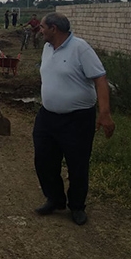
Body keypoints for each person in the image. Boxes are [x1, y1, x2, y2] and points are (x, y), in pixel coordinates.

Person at [33, 12, 115, 226]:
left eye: (42, 27)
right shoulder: (47, 48)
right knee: (43, 160)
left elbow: (100, 79)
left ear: (54, 29)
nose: (40, 31)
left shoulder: (81, 48)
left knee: (77, 164)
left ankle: (77, 206)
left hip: (77, 120)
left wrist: (104, 113)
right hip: (47, 117)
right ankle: (55, 199)